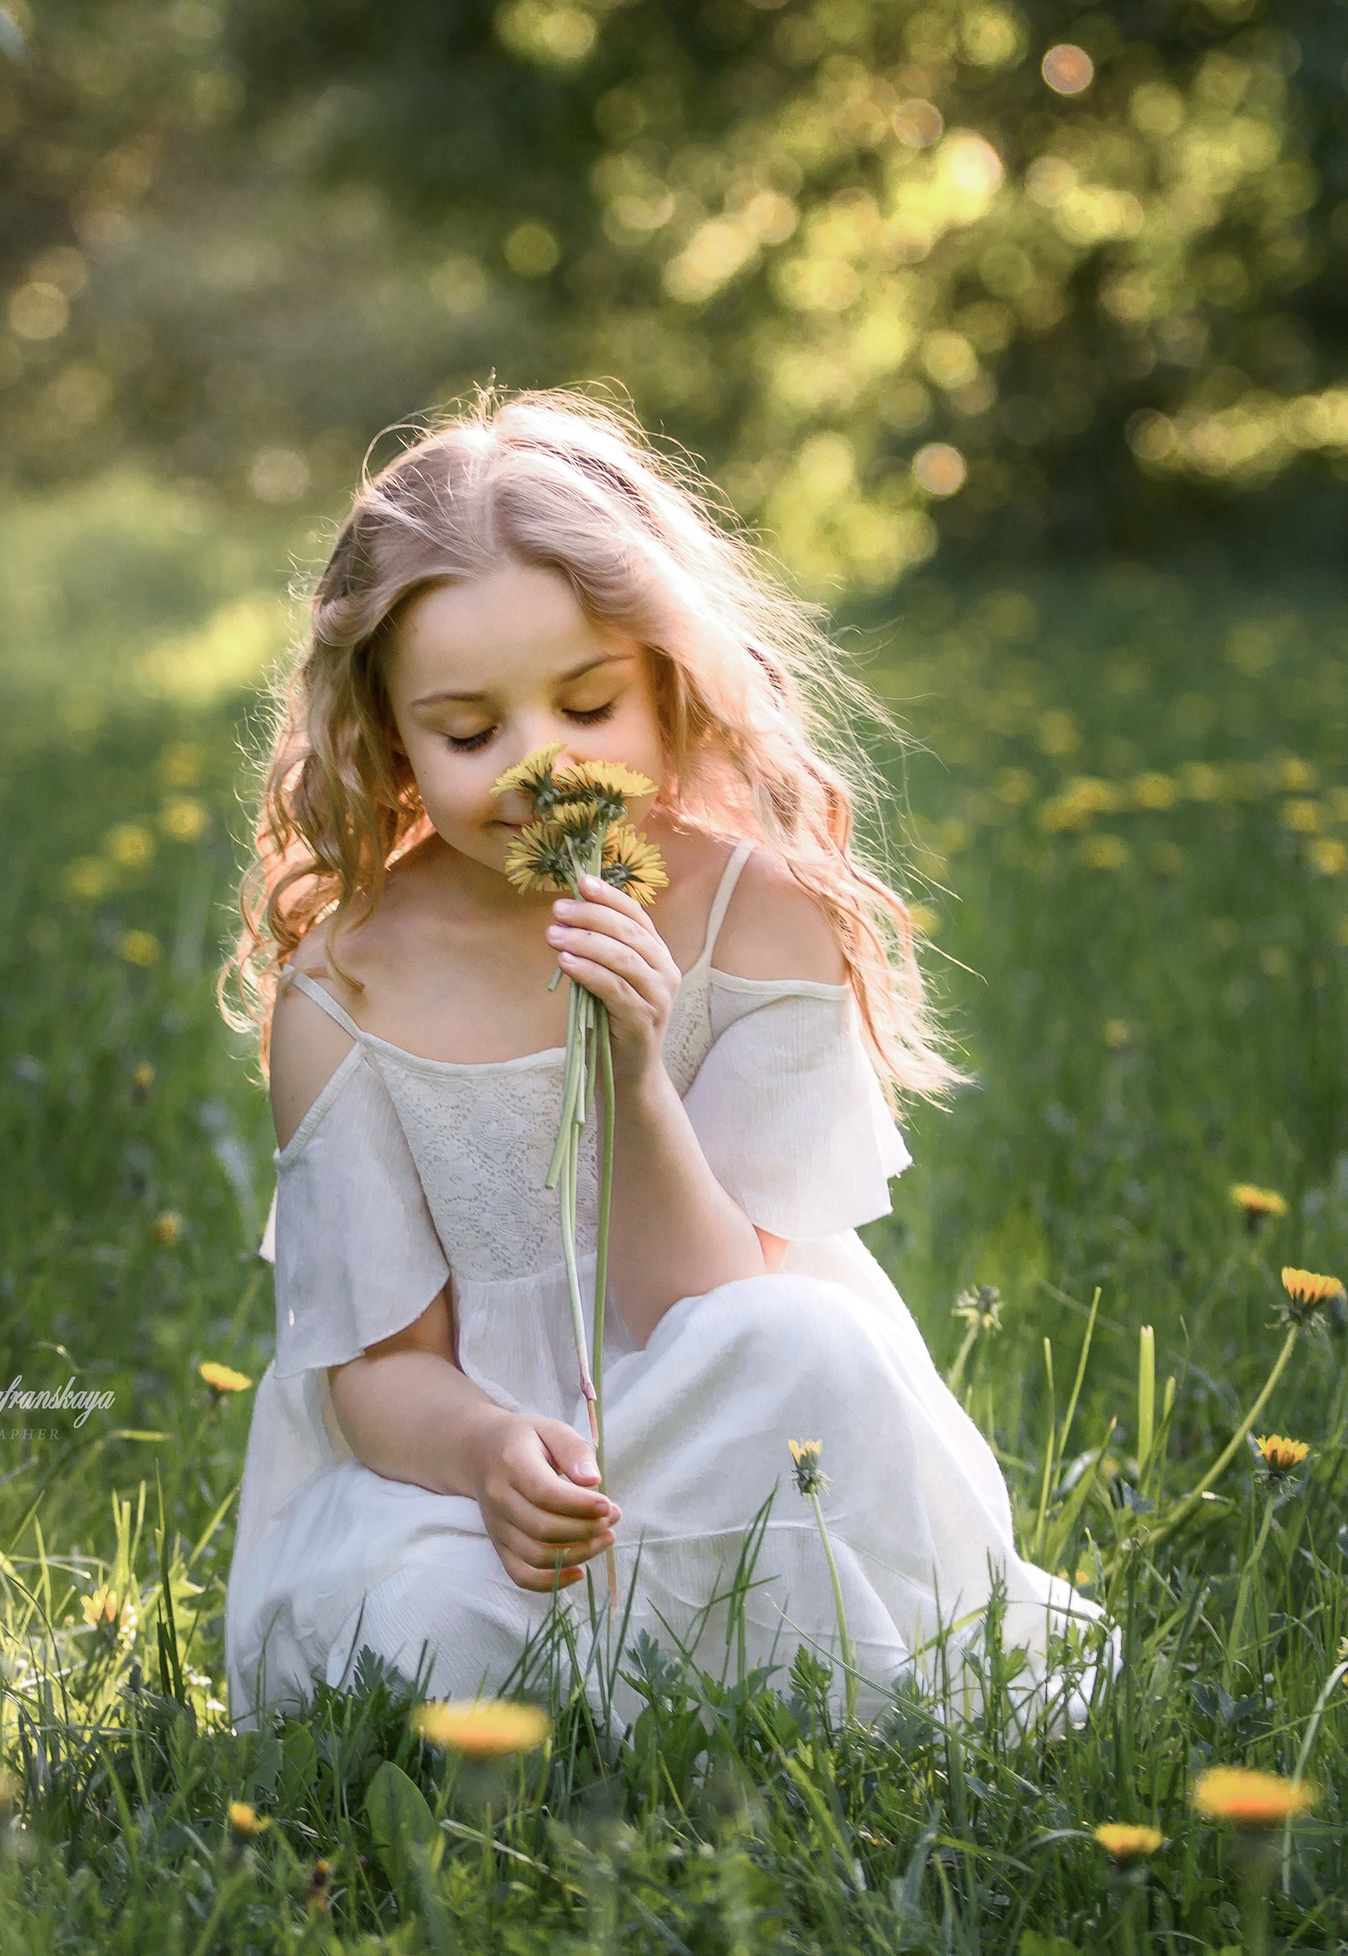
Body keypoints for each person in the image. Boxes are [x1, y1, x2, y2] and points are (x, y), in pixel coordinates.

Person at [216, 384, 1105, 1736]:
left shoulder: (759, 913)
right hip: (479, 1491)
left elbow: (719, 1314)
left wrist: (629, 1070)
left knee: (807, 1346)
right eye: (468, 731)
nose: (539, 763)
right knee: (420, 1628)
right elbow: (377, 1371)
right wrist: (493, 1456)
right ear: (389, 735)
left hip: (735, 1426)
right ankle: (614, 1691)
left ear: (669, 686)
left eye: (588, 705)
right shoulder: (349, 987)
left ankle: (711, 1702)